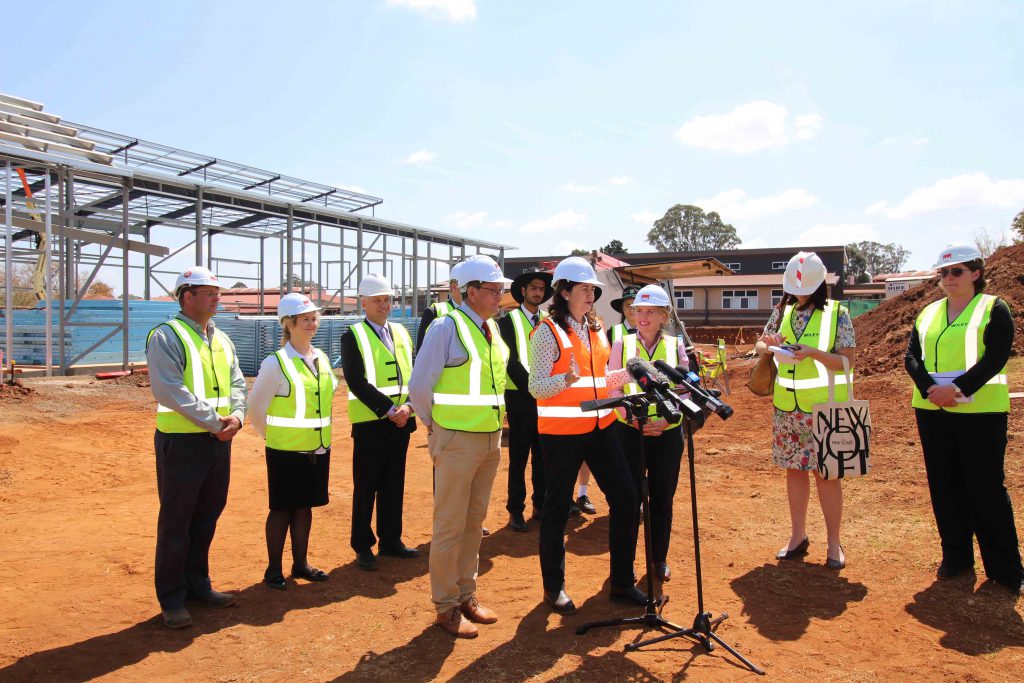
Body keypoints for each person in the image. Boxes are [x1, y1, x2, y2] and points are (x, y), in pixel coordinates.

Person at [529, 256, 644, 615]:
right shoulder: (547, 330)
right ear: (563, 292)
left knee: (627, 499)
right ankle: (554, 589)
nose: (591, 294)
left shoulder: (596, 327)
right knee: (556, 510)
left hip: (601, 427)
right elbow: (536, 386)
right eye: (583, 288)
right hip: (562, 433)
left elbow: (600, 381)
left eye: (593, 289)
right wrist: (565, 379)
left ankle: (621, 582)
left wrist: (632, 373)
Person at [905, 243, 1020, 594]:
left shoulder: (993, 308)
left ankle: (1005, 569)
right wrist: (930, 389)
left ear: (975, 273)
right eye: (944, 272)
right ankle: (956, 557)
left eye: (957, 271)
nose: (949, 278)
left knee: (986, 488)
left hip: (980, 412)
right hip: (932, 410)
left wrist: (956, 389)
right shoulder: (928, 313)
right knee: (944, 485)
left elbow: (996, 357)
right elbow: (912, 357)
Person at [408, 255, 512, 638]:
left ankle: (466, 594)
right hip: (455, 439)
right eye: (493, 289)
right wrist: (434, 425)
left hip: (489, 439)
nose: (499, 295)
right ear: (471, 291)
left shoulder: (491, 328)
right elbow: (419, 386)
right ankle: (445, 606)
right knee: (450, 525)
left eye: (500, 289)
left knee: (474, 523)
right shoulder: (446, 327)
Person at [145, 266, 247, 629]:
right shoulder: (166, 336)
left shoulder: (221, 339)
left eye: (218, 293)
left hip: (218, 442)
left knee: (206, 516)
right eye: (209, 293)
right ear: (186, 296)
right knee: (177, 521)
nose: (217, 298)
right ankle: (172, 598)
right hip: (182, 443)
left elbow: (237, 382)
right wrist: (216, 422)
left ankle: (197, 585)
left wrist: (237, 416)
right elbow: (169, 390)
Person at [756, 252, 855, 570]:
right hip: (788, 408)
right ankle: (797, 536)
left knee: (826, 474)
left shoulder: (838, 314)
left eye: (805, 289)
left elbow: (847, 362)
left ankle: (833, 542)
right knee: (795, 471)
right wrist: (771, 344)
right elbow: (760, 345)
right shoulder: (781, 310)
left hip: (824, 408)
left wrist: (812, 353)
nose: (799, 295)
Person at [247, 293, 335, 590]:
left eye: (314, 319)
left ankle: (301, 563)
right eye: (305, 319)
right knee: (282, 509)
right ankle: (273, 569)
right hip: (285, 449)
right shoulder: (276, 363)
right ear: (288, 324)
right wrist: (272, 436)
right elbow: (255, 407)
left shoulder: (321, 358)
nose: (312, 324)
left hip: (317, 446)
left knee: (304, 507)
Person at [608, 284, 688, 582]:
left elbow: (685, 390)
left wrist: (667, 420)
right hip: (631, 431)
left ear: (664, 316)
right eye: (638, 311)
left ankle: (658, 559)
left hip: (667, 433)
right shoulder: (622, 343)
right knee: (629, 500)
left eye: (650, 312)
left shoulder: (676, 346)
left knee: (662, 498)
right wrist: (631, 418)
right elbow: (612, 386)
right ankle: (625, 564)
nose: (642, 317)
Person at [341, 274, 419, 571]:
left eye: (387, 299)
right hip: (371, 423)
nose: (384, 305)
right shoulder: (353, 335)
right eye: (377, 300)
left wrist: (408, 406)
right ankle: (362, 545)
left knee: (393, 484)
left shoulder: (401, 332)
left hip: (401, 422)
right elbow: (356, 380)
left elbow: (414, 373)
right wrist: (389, 409)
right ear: (363, 303)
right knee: (366, 486)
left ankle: (391, 540)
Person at [566, 285, 641, 517]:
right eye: (628, 306)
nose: (633, 311)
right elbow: (602, 370)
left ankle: (636, 499)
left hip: (644, 407)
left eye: (637, 306)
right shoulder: (610, 332)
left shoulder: (658, 334)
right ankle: (581, 493)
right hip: (613, 404)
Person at [499, 267, 553, 532]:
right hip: (520, 399)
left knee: (542, 457)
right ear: (523, 291)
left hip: (545, 399)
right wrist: (533, 387)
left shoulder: (549, 321)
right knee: (519, 458)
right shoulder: (508, 321)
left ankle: (540, 505)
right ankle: (515, 510)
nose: (537, 292)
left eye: (541, 289)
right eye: (533, 288)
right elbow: (509, 361)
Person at [416, 260, 465, 353]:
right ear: (454, 286)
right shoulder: (433, 313)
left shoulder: (482, 317)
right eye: (468, 285)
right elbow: (422, 354)